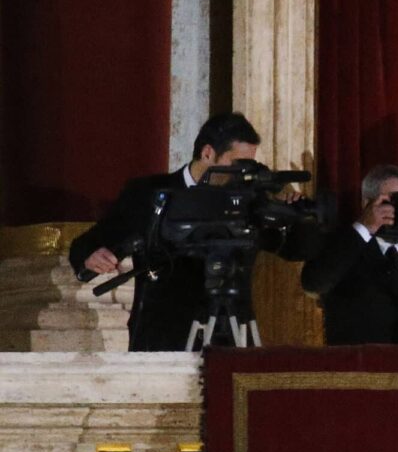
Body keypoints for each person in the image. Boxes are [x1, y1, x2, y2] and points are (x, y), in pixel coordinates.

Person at [71, 112, 266, 350]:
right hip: (163, 337)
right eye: (237, 164)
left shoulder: (250, 200)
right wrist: (92, 255)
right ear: (207, 153)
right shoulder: (148, 193)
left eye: (249, 165)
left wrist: (294, 209)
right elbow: (91, 242)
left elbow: (292, 248)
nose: (243, 173)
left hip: (231, 334)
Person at [300, 163, 398, 345]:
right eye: (397, 201)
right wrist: (364, 228)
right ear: (368, 203)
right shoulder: (344, 242)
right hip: (359, 359)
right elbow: (314, 283)